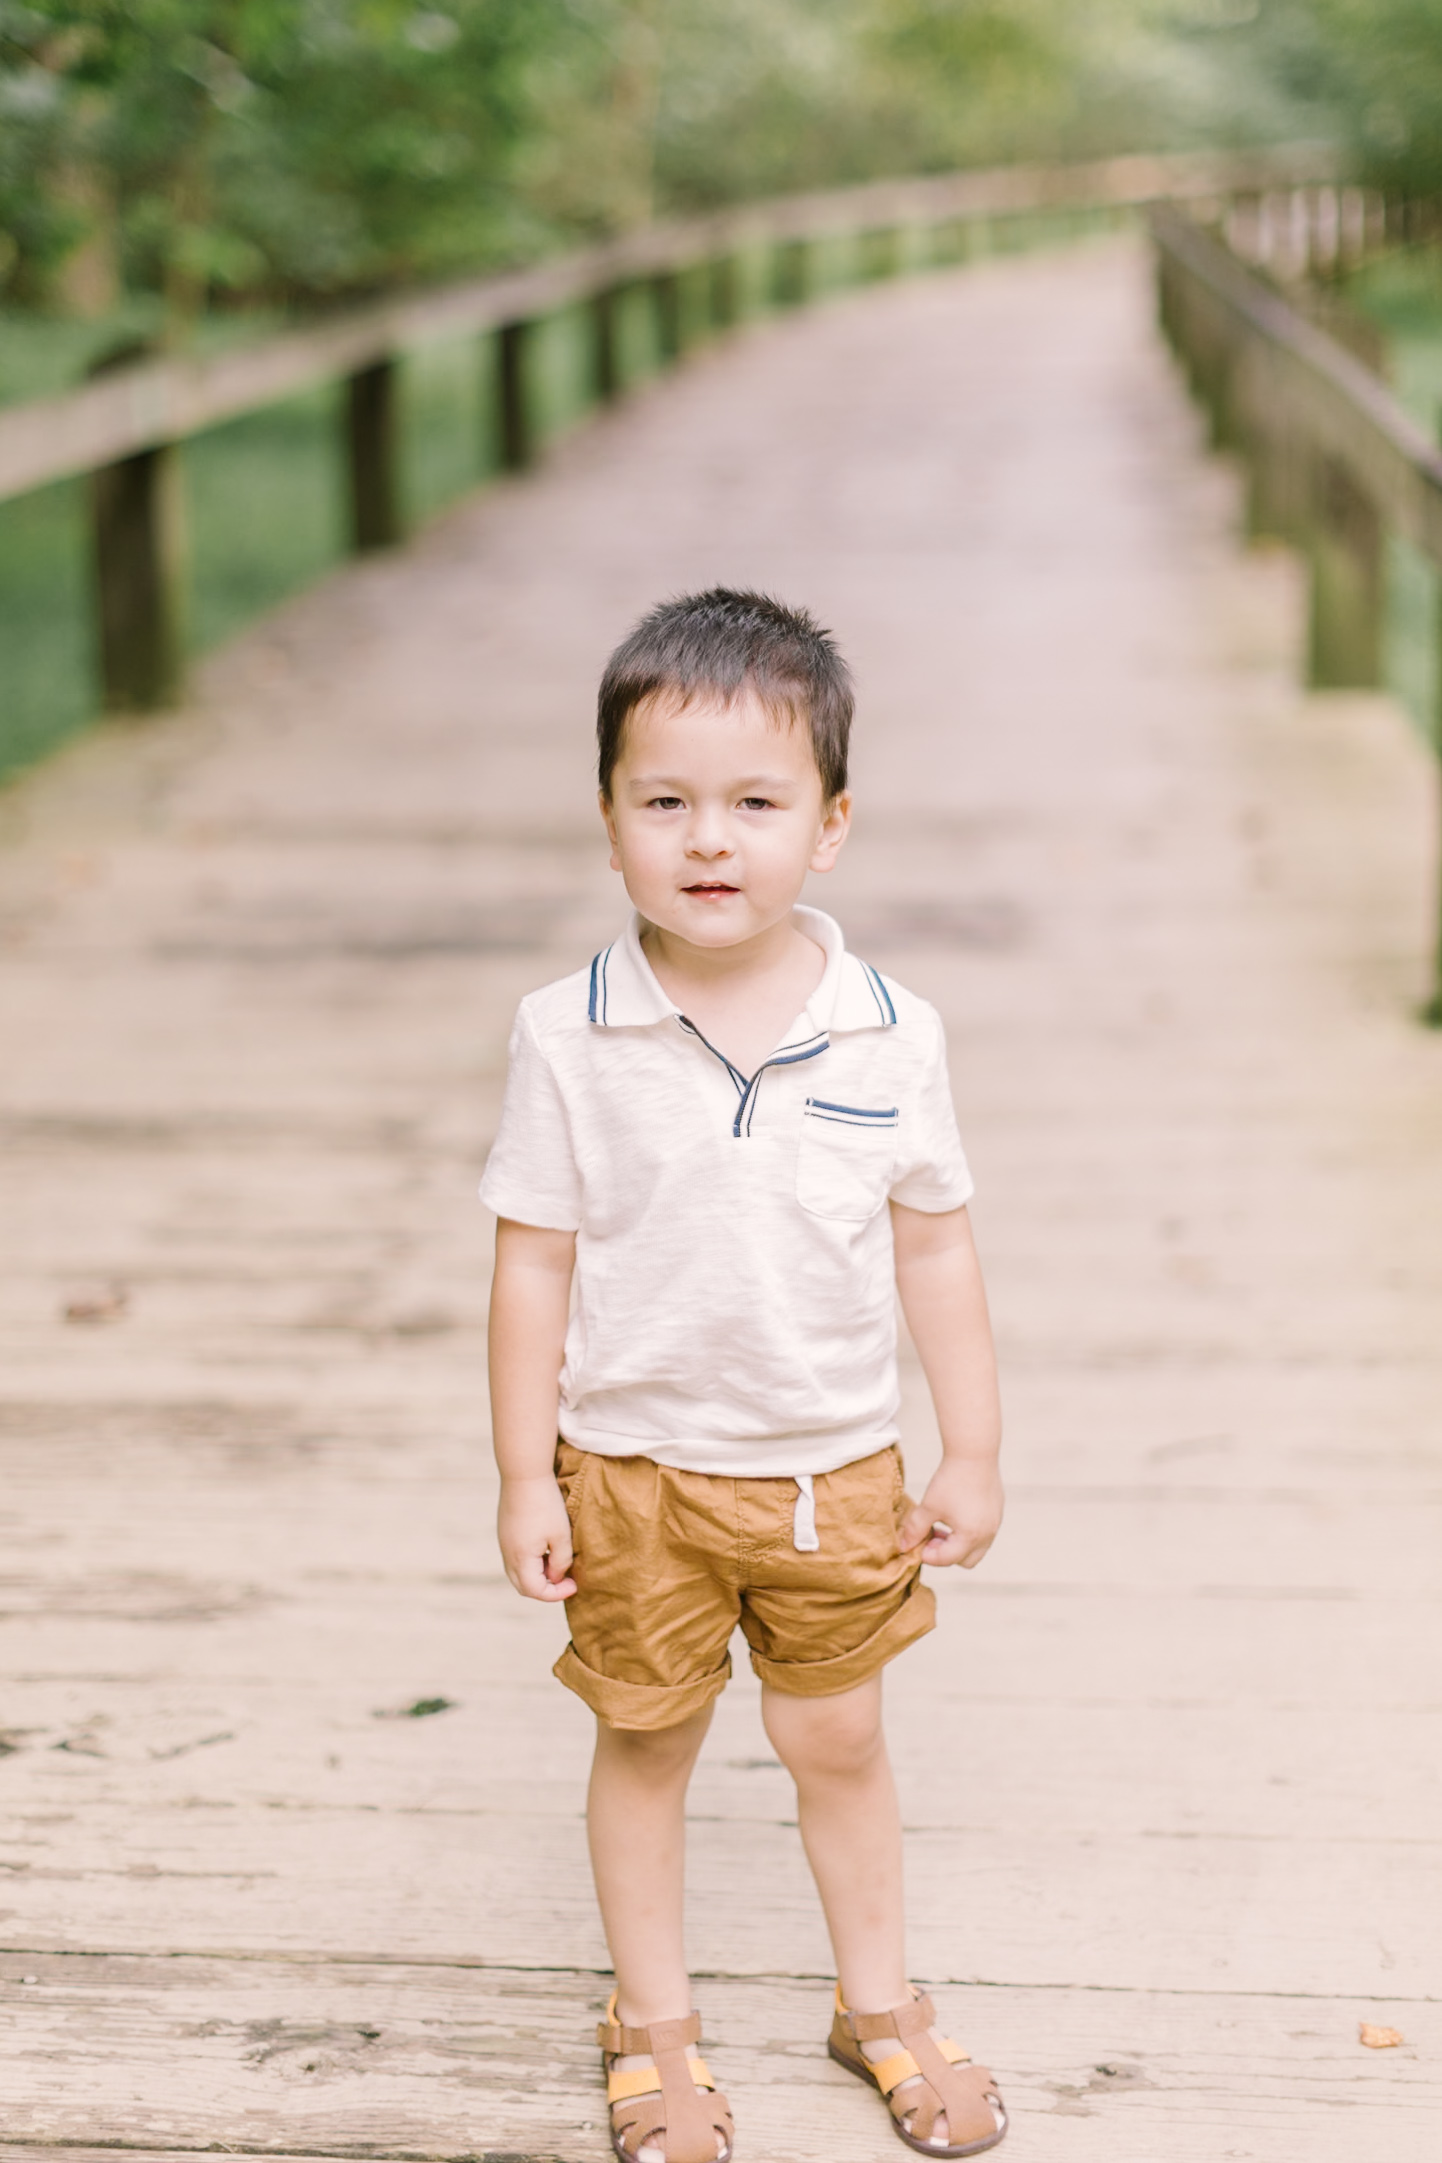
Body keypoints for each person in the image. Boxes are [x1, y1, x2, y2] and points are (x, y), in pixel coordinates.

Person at [482, 588, 1007, 2162]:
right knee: (645, 1740)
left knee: (835, 1737)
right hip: (629, 1470)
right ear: (609, 819)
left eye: (756, 805)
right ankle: (653, 2023)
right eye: (665, 803)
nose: (709, 841)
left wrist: (965, 1447)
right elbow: (531, 1261)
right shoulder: (566, 1035)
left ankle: (875, 2000)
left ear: (828, 828)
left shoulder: (890, 1032)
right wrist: (525, 1474)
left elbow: (936, 1250)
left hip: (829, 1469)